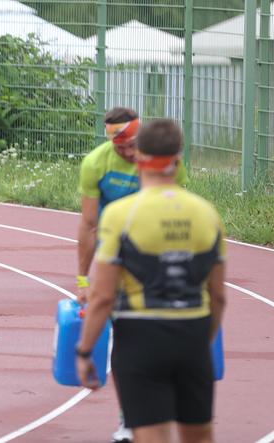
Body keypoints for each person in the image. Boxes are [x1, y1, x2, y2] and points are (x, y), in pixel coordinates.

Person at [75, 119, 227, 443]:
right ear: (179, 158)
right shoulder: (208, 214)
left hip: (140, 335)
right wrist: (201, 339)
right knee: (199, 435)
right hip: (193, 332)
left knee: (152, 436)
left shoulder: (120, 215)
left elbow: (102, 297)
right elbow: (218, 297)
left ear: (139, 157)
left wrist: (85, 351)